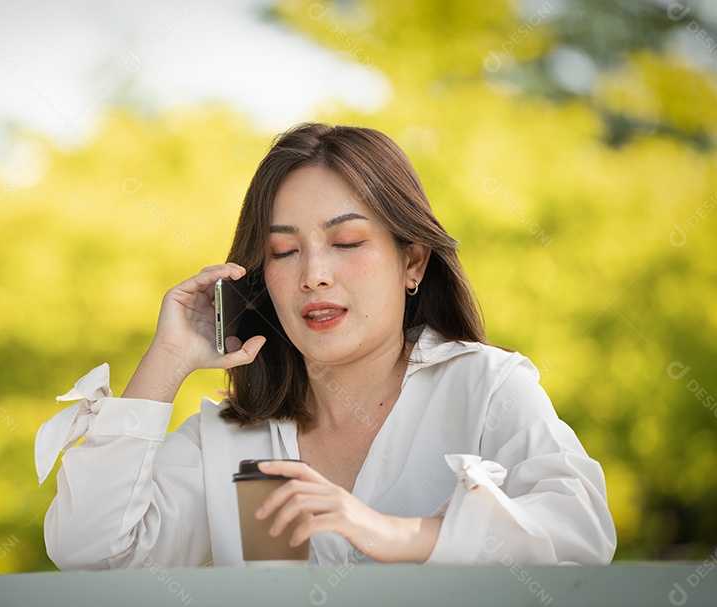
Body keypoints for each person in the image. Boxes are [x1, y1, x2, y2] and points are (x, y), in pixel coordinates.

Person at [35, 123, 616, 569]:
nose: (313, 273)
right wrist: (166, 361)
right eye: (285, 251)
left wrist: (391, 533)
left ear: (411, 260)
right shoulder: (227, 438)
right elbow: (92, 552)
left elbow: (581, 533)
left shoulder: (488, 389)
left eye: (346, 241)